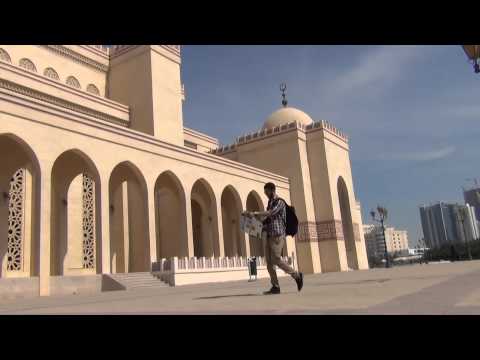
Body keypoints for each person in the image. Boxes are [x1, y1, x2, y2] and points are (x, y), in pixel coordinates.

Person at [243, 182, 303, 295]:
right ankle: (275, 286)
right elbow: (267, 220)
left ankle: (297, 275)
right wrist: (252, 223)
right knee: (269, 263)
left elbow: (271, 213)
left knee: (276, 259)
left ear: (272, 190)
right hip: (269, 235)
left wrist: (254, 213)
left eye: (266, 192)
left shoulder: (279, 202)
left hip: (278, 235)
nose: (265, 194)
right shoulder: (270, 203)